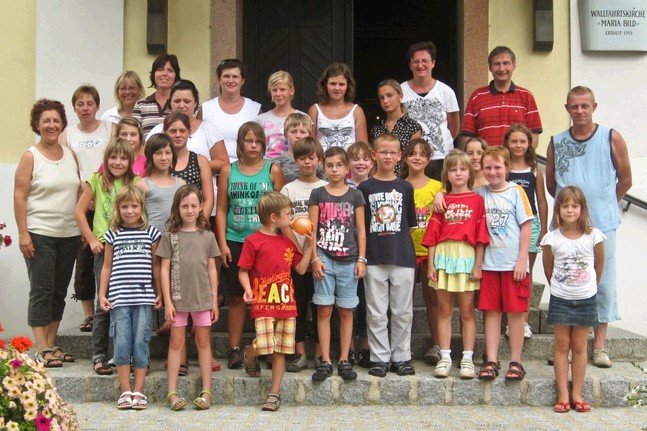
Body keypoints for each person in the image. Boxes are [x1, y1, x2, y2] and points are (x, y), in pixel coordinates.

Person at [546, 86, 632, 368]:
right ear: (567, 109)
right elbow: (551, 184)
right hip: (566, 225)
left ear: (594, 106)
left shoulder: (611, 137)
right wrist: (569, 211)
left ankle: (599, 346)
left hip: (602, 224)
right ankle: (566, 346)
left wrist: (605, 203)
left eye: (585, 106)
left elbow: (626, 179)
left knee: (601, 283)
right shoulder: (556, 142)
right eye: (574, 106)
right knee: (565, 280)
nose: (580, 111)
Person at [14, 99, 80, 367]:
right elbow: (20, 196)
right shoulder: (31, 156)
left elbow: (78, 192)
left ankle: (52, 343)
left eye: (56, 120)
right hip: (39, 232)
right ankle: (41, 346)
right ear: (37, 124)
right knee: (42, 289)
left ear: (62, 124)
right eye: (46, 121)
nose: (52, 125)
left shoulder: (70, 155)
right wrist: (23, 233)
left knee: (59, 290)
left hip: (69, 234)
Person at [216, 121, 286, 369]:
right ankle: (235, 348)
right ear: (240, 143)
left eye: (258, 141)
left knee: (267, 297)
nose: (253, 145)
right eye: (248, 140)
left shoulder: (272, 170)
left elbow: (282, 209)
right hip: (236, 240)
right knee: (237, 297)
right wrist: (222, 243)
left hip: (266, 243)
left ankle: (267, 347)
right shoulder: (228, 171)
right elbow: (221, 209)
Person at [238, 191, 315, 412]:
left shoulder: (287, 243)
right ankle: (249, 355)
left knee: (280, 349)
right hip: (263, 302)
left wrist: (310, 246)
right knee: (264, 345)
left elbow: (301, 269)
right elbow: (243, 270)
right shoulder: (253, 241)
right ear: (274, 217)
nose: (291, 218)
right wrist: (247, 289)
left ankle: (275, 392)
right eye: (288, 214)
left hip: (286, 304)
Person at [422, 150, 489, 379]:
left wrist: (478, 265)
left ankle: (467, 358)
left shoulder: (477, 200)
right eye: (453, 170)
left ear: (470, 172)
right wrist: (431, 264)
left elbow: (481, 236)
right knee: (444, 310)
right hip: (443, 255)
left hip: (466, 256)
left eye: (463, 169)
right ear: (446, 174)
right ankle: (445, 356)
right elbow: (433, 234)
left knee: (468, 311)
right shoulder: (442, 200)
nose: (458, 173)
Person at [75, 138, 138, 376]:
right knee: (104, 303)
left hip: (129, 248)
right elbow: (79, 212)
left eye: (123, 158)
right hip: (104, 248)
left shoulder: (135, 182)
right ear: (106, 159)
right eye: (113, 157)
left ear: (130, 161)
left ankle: (126, 355)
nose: (118, 162)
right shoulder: (96, 180)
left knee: (129, 303)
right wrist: (91, 239)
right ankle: (99, 355)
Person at [541, 186, 605, 413]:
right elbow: (548, 268)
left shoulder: (594, 236)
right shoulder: (551, 238)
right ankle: (562, 394)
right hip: (561, 298)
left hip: (586, 298)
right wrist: (560, 289)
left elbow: (599, 265)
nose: (570, 210)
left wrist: (588, 287)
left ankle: (577, 393)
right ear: (558, 209)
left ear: (582, 209)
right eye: (565, 206)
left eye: (574, 206)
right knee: (561, 345)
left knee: (579, 346)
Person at [358, 133, 417, 377]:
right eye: (383, 152)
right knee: (376, 312)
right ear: (374, 155)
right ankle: (379, 357)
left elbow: (409, 224)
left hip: (402, 256)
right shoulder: (365, 187)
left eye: (393, 152)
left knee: (403, 312)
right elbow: (361, 226)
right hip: (374, 257)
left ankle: (401, 357)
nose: (388, 156)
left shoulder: (405, 187)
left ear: (400, 156)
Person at [157, 185, 220, 411]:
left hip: (202, 299)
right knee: (176, 343)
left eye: (194, 205)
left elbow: (212, 269)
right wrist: (167, 301)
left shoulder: (208, 236)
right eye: (185, 206)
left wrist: (214, 300)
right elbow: (164, 269)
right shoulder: (169, 236)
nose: (190, 210)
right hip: (177, 300)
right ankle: (172, 392)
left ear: (201, 207)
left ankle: (207, 391)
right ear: (177, 208)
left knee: (203, 343)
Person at [98, 186, 161, 410]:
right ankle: (125, 391)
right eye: (124, 206)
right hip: (119, 299)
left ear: (142, 207)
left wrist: (159, 292)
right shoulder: (112, 234)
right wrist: (102, 294)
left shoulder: (151, 233)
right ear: (118, 208)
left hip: (143, 298)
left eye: (134, 206)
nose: (130, 210)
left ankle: (139, 390)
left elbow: (156, 266)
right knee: (122, 344)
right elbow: (106, 267)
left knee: (141, 342)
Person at [474, 147, 533, 381]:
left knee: (516, 313)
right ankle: (491, 359)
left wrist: (522, 260)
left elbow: (526, 227)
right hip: (489, 264)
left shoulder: (516, 192)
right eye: (487, 167)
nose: (492, 172)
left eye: (497, 167)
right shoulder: (479, 194)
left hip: (512, 265)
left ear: (506, 168)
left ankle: (516, 361)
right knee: (491, 312)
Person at [308, 147, 366, 382]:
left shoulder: (355, 195)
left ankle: (344, 358)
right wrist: (314, 258)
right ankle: (324, 360)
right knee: (323, 309)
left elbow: (360, 229)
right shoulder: (318, 194)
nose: (334, 170)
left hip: (349, 260)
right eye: (330, 165)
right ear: (323, 167)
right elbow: (312, 230)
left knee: (346, 310)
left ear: (347, 168)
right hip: (324, 258)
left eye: (339, 165)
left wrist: (362, 259)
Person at [60, 85, 115, 333]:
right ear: (74, 107)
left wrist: (99, 190)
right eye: (80, 104)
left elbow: (115, 159)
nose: (85, 108)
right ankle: (89, 314)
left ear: (97, 105)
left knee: (110, 256)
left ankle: (110, 307)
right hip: (80, 199)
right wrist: (85, 193)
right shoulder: (67, 134)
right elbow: (66, 167)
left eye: (89, 103)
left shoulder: (109, 129)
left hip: (108, 200)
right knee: (84, 259)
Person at [279, 137, 327, 372]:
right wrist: (299, 252)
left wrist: (312, 253)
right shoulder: (288, 188)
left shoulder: (325, 187)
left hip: (321, 257)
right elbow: (285, 224)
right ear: (295, 160)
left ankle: (319, 353)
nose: (307, 162)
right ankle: (299, 353)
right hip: (295, 257)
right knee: (296, 306)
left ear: (319, 160)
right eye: (302, 158)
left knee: (320, 306)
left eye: (311, 158)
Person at [147, 80, 226, 220]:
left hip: (196, 215)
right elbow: (146, 163)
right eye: (177, 101)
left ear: (195, 103)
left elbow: (223, 162)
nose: (181, 105)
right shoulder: (157, 131)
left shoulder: (208, 130)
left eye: (187, 101)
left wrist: (197, 166)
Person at [401, 139, 443, 366]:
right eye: (413, 153)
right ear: (405, 157)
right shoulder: (399, 184)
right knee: (402, 301)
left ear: (429, 159)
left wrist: (441, 195)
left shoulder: (437, 187)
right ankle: (402, 346)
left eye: (423, 154)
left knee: (432, 298)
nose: (417, 158)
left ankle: (437, 344)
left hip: (430, 251)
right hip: (404, 251)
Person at [504, 124, 548, 339]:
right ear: (507, 143)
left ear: (529, 143)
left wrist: (544, 229)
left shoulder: (534, 169)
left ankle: (523, 321)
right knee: (508, 274)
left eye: (522, 141)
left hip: (530, 225)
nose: (518, 145)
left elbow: (542, 200)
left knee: (526, 276)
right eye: (514, 141)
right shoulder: (503, 168)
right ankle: (509, 321)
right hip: (506, 226)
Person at [461, 46, 542, 148]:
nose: (501, 69)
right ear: (490, 68)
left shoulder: (526, 96)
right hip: (487, 158)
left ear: (514, 66)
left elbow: (534, 136)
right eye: (496, 64)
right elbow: (467, 136)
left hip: (516, 158)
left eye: (506, 63)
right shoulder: (477, 97)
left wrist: (523, 157)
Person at [401, 41, 459, 180]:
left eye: (424, 61)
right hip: (411, 159)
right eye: (416, 61)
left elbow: (454, 127)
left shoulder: (446, 91)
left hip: (441, 158)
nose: (420, 65)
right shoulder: (400, 91)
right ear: (410, 65)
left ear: (433, 63)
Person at [201, 59, 262, 163]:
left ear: (242, 80)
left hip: (245, 168)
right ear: (219, 79)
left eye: (235, 76)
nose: (230, 80)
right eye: (226, 76)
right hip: (212, 168)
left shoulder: (255, 109)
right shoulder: (206, 108)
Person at [346, 140, 373, 367]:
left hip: (371, 250)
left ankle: (365, 346)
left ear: (372, 162)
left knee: (366, 301)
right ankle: (349, 348)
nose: (361, 163)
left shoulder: (376, 185)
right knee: (348, 303)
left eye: (365, 159)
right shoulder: (342, 186)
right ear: (348, 164)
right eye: (355, 159)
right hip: (345, 250)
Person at [164, 112, 214, 218]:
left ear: (189, 132)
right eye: (173, 131)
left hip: (193, 220)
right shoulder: (160, 160)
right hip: (164, 219)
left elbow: (208, 199)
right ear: (165, 132)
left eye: (182, 131)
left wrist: (200, 223)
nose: (178, 135)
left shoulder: (200, 160)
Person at [308, 63, 368, 151]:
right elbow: (310, 145)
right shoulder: (315, 110)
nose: (337, 88)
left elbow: (363, 147)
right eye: (333, 84)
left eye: (341, 84)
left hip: (349, 159)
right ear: (325, 85)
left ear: (348, 86)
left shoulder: (357, 111)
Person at [371, 79, 422, 176]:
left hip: (404, 179)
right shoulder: (376, 129)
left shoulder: (413, 127)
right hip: (380, 179)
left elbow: (415, 159)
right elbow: (373, 161)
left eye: (389, 95)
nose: (385, 101)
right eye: (382, 98)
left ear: (400, 96)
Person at [256, 71, 304, 159]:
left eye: (282, 89)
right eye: (274, 90)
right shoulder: (261, 119)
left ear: (292, 90)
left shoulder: (303, 118)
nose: (278, 94)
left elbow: (309, 147)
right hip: (268, 165)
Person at [133, 53, 181, 136]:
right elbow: (134, 134)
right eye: (160, 69)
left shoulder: (182, 104)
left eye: (170, 70)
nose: (164, 74)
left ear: (176, 76)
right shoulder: (141, 105)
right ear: (153, 74)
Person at [273, 112, 324, 183]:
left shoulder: (316, 161)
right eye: (293, 132)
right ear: (285, 135)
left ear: (309, 135)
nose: (298, 136)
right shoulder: (276, 163)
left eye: (302, 132)